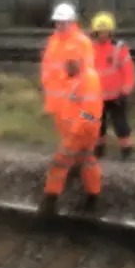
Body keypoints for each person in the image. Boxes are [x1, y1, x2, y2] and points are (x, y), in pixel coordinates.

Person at [39, 45, 103, 216]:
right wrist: (51, 110)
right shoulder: (73, 77)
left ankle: (50, 200)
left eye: (69, 63)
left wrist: (75, 130)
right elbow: (66, 103)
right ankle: (93, 196)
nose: (66, 66)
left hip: (81, 132)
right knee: (87, 161)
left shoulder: (88, 79)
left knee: (59, 162)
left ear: (78, 61)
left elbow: (90, 113)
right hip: (79, 131)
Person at [40, 2, 94, 138]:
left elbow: (88, 69)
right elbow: (47, 66)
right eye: (58, 22)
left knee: (79, 130)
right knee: (64, 132)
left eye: (63, 22)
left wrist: (82, 91)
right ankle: (70, 156)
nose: (60, 25)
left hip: (74, 96)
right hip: (57, 99)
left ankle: (82, 156)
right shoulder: (53, 41)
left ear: (72, 22)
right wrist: (45, 86)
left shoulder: (81, 42)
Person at [90, 11, 135, 160]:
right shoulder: (90, 48)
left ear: (110, 32)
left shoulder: (119, 48)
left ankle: (127, 149)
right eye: (99, 32)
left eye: (105, 32)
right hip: (97, 97)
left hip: (117, 96)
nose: (102, 35)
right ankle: (99, 149)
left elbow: (129, 71)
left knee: (120, 124)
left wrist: (126, 90)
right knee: (96, 124)